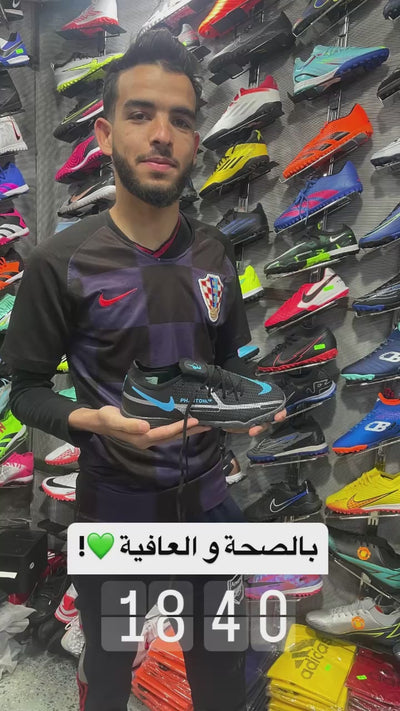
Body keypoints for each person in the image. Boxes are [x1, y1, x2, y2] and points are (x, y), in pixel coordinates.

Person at [2, 30, 285, 711]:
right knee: (108, 677)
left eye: (180, 120)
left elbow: (230, 361)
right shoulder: (58, 262)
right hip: (114, 512)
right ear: (104, 134)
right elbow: (26, 392)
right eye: (140, 114)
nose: (161, 134)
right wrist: (91, 421)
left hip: (210, 507)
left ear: (195, 142)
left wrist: (249, 404)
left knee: (222, 677)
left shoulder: (215, 251)